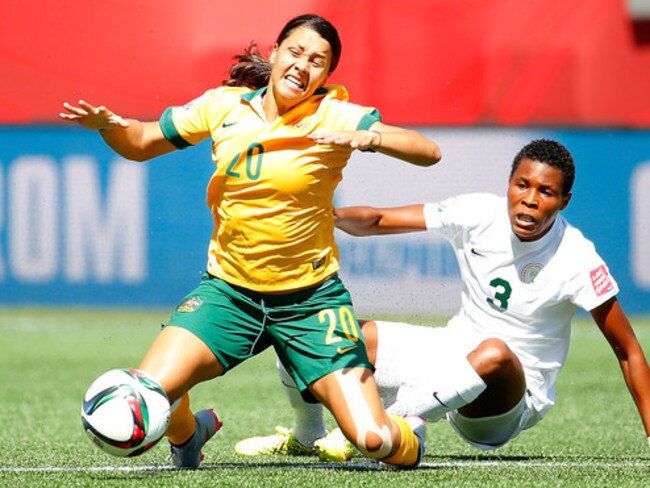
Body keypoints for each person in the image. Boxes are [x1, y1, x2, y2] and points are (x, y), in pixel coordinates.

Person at [60, 14, 441, 469]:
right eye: (296, 52)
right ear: (276, 52)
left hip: (310, 302)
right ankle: (190, 435)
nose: (303, 65)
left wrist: (369, 137)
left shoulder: (337, 114)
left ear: (327, 75)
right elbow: (141, 141)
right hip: (230, 293)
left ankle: (406, 428)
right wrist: (109, 126)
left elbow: (427, 151)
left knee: (375, 442)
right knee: (149, 392)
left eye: (318, 61)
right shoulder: (222, 106)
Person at [234, 138, 650, 461]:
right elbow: (379, 220)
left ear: (564, 201)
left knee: (496, 352)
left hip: (507, 401)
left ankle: (378, 424)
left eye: (546, 192)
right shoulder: (477, 214)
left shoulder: (577, 257)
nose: (530, 199)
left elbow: (629, 352)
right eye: (522, 185)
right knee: (323, 333)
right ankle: (307, 435)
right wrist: (318, 216)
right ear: (508, 184)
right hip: (452, 352)